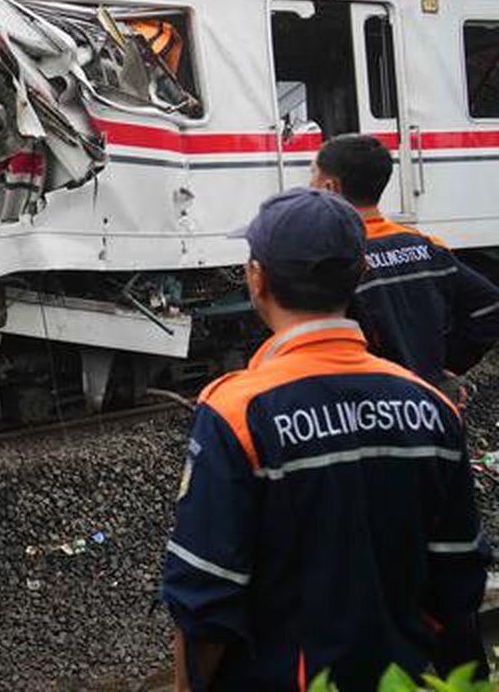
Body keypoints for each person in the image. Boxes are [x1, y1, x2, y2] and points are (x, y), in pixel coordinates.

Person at [161, 188, 488, 691]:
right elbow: (459, 577)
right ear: (359, 274)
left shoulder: (236, 412)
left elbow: (205, 596)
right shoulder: (431, 407)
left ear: (257, 279)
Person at [310, 134, 499, 398]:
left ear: (331, 187)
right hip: (429, 397)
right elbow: (490, 305)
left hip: (372, 403)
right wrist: (447, 363)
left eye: (313, 178)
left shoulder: (335, 258)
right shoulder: (428, 246)